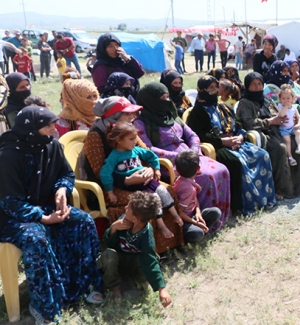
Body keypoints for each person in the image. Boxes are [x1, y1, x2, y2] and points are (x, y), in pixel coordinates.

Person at [0, 107, 103, 324]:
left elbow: (65, 173)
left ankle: (82, 286)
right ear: (31, 128)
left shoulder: (51, 145)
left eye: (53, 123)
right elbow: (10, 202)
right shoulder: (8, 156)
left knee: (83, 221)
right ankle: (43, 306)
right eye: (47, 126)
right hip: (12, 216)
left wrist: (61, 190)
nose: (54, 129)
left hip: (45, 207)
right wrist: (44, 218)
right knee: (36, 239)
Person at [83, 96, 185, 252]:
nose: (132, 118)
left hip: (139, 178)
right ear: (114, 116)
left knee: (167, 189)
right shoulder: (95, 136)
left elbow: (146, 153)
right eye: (127, 114)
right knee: (145, 201)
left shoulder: (128, 130)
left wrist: (151, 169)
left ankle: (174, 241)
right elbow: (100, 172)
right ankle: (150, 251)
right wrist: (127, 180)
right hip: (110, 186)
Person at [134, 82, 231, 229]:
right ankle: (198, 220)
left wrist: (194, 150)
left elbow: (192, 135)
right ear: (151, 100)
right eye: (162, 98)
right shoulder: (141, 123)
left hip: (191, 157)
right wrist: (180, 156)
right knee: (206, 176)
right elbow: (148, 149)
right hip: (170, 163)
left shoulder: (172, 116)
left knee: (222, 170)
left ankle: (218, 218)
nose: (167, 101)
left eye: (168, 97)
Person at [186, 75, 276, 214]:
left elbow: (239, 124)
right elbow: (200, 135)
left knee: (262, 155)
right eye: (211, 88)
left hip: (235, 141)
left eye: (216, 87)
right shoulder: (197, 112)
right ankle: (240, 206)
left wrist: (240, 137)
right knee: (236, 162)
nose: (215, 90)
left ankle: (263, 199)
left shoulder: (224, 107)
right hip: (217, 146)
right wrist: (223, 141)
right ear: (202, 90)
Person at [236, 72, 300, 199]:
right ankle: (282, 189)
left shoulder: (267, 99)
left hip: (280, 130)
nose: (257, 87)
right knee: (280, 149)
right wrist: (270, 121)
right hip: (263, 133)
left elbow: (280, 112)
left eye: (259, 84)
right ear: (247, 86)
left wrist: (291, 119)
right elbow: (248, 123)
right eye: (253, 85)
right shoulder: (244, 103)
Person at [98, 191, 173, 307]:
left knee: (151, 257)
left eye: (128, 208)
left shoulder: (146, 234)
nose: (125, 207)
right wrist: (113, 228)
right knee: (108, 254)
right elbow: (109, 243)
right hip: (119, 260)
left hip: (135, 263)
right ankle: (114, 285)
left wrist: (161, 289)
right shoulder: (123, 220)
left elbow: (150, 262)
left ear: (135, 218)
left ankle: (142, 279)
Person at [173, 150, 222, 241]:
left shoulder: (184, 179)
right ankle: (191, 236)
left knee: (216, 212)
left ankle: (202, 229)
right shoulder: (188, 189)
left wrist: (198, 212)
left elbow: (194, 198)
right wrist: (195, 222)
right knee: (197, 233)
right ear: (198, 169)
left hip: (192, 215)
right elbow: (179, 212)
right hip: (183, 221)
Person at [277, 84, 300, 166]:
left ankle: (299, 147)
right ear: (280, 99)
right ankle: (290, 157)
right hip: (284, 129)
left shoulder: (294, 107)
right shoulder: (280, 106)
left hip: (292, 127)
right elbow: (282, 115)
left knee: (298, 132)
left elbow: (299, 117)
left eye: (288, 98)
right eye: (283, 98)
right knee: (287, 140)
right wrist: (286, 107)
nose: (286, 100)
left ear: (293, 99)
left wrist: (298, 124)